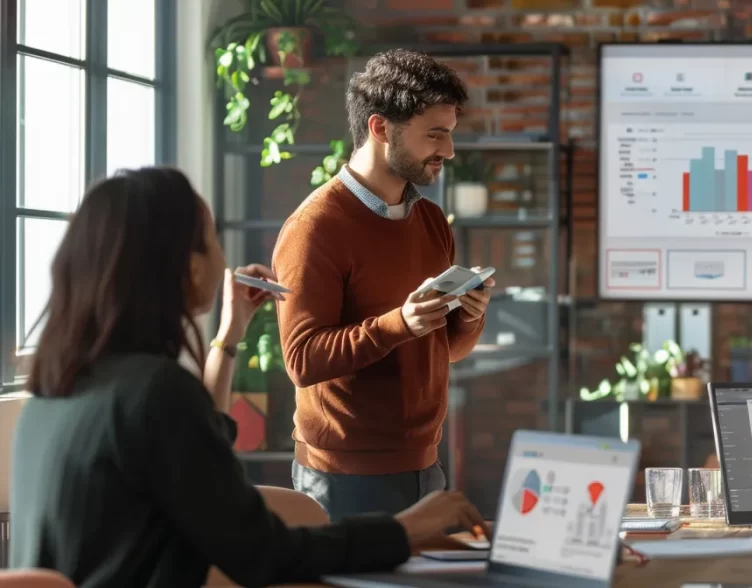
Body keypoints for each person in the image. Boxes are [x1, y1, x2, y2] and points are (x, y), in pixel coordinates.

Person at [9, 167, 486, 587]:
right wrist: (406, 530)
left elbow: (203, 434)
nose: (222, 256)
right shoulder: (153, 394)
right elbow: (262, 553)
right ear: (185, 264)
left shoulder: (61, 392)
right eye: (211, 237)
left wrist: (231, 331)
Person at [274, 49, 493, 520]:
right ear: (380, 128)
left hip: (425, 464)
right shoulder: (315, 227)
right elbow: (302, 359)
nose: (448, 151)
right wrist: (401, 323)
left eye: (449, 134)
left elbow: (443, 350)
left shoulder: (431, 220)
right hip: (342, 476)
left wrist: (468, 318)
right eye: (435, 135)